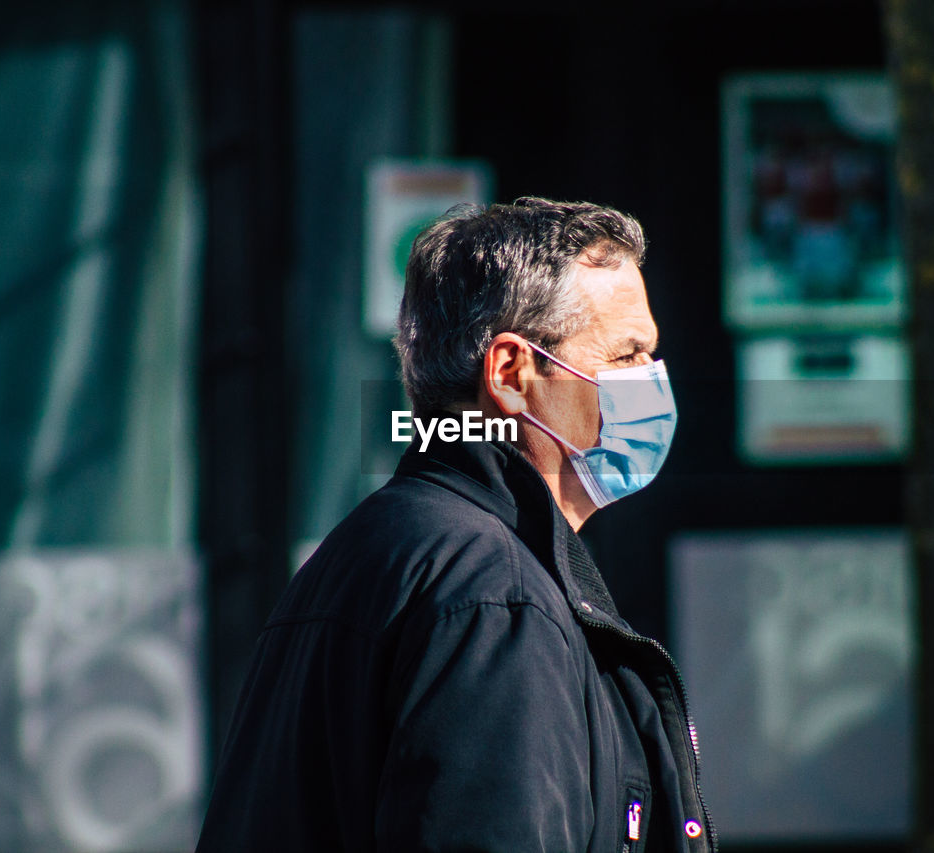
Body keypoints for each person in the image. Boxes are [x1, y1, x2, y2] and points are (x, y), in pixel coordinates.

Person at [195, 198, 715, 851]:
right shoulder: (493, 595)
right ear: (511, 374)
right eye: (628, 354)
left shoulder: (376, 544)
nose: (652, 382)